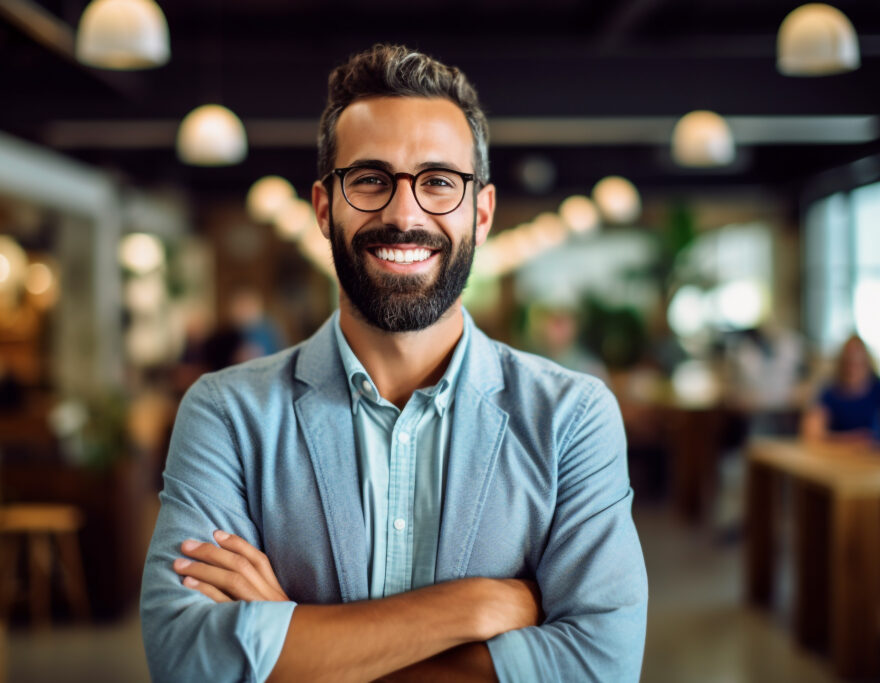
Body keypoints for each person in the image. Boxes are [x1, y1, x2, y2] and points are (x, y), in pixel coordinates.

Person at [141, 44, 647, 682]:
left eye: (438, 181)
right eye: (370, 179)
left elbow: (602, 665)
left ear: (481, 213)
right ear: (325, 208)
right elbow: (186, 659)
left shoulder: (572, 416)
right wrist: (475, 607)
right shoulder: (226, 414)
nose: (405, 214)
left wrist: (295, 641)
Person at [800, 334, 880, 444]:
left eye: (859, 362)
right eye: (849, 362)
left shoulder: (879, 389)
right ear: (841, 363)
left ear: (867, 363)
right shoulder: (830, 392)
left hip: (873, 457)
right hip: (838, 457)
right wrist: (851, 440)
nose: (853, 367)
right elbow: (811, 433)